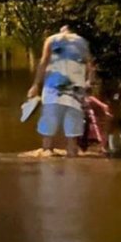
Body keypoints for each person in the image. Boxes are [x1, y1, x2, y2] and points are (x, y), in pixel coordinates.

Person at [27, 24, 94, 157]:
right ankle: (71, 149)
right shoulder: (82, 42)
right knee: (73, 121)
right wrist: (89, 82)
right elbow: (91, 65)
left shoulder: (51, 40)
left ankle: (47, 148)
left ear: (62, 28)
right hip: (75, 88)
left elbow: (44, 62)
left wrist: (35, 85)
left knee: (49, 119)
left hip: (53, 87)